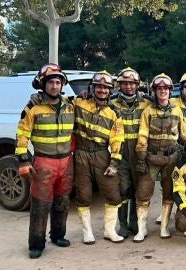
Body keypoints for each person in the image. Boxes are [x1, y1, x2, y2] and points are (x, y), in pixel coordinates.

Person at [16, 63, 75, 258]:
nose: (55, 86)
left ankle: (58, 235)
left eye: (58, 82)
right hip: (44, 162)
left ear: (62, 85)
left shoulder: (70, 105)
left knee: (62, 202)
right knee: (40, 205)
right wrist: (23, 161)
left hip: (66, 163)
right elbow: (22, 134)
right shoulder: (32, 107)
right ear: (43, 84)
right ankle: (36, 244)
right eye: (51, 83)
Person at [134, 73, 186, 242]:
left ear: (170, 90)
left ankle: (164, 228)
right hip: (151, 158)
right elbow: (142, 136)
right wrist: (141, 158)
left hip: (171, 159)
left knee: (168, 193)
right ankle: (141, 230)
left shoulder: (177, 110)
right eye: (160, 88)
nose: (163, 91)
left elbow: (184, 135)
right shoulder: (148, 111)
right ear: (155, 91)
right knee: (143, 193)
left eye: (166, 88)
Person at [73, 71, 125, 245]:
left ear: (110, 91)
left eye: (106, 87)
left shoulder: (114, 113)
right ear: (92, 88)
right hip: (81, 153)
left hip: (102, 153)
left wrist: (114, 163)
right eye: (99, 87)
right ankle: (87, 231)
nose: (102, 90)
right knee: (84, 194)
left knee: (112, 192)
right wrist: (36, 97)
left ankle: (109, 231)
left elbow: (117, 140)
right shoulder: (78, 102)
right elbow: (57, 102)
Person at [110, 67, 152, 239]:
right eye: (125, 83)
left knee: (138, 190)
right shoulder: (112, 103)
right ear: (119, 85)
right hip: (120, 154)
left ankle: (135, 223)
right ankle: (123, 225)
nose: (129, 87)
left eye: (132, 83)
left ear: (137, 85)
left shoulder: (146, 103)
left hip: (139, 153)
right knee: (123, 189)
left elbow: (166, 104)